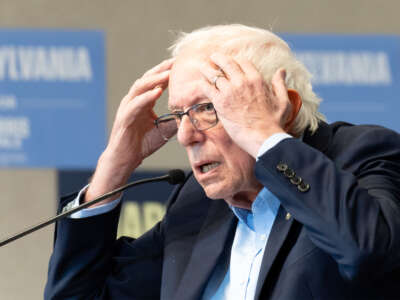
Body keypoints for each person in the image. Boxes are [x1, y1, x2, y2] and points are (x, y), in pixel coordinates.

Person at [45, 24, 400, 299]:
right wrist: (115, 167)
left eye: (206, 108)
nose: (185, 135)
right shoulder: (197, 205)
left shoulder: (362, 154)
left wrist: (266, 138)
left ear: (284, 106)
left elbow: (371, 257)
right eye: (179, 113)